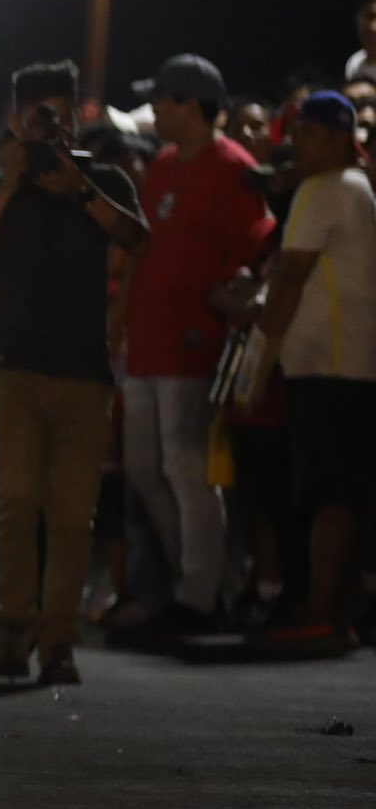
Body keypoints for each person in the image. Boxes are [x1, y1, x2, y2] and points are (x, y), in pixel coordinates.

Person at [0, 60, 148, 684]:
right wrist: (12, 185)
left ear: (76, 119)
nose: (48, 127)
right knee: (14, 501)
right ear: (15, 121)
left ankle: (59, 641)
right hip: (15, 366)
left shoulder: (104, 177)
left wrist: (80, 191)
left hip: (85, 372)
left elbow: (139, 239)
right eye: (37, 117)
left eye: (58, 116)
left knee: (71, 514)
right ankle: (13, 631)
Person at [112, 55, 274, 634]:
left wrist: (222, 307)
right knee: (144, 469)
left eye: (162, 99)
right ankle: (199, 582)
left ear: (190, 105)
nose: (154, 108)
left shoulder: (234, 168)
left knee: (186, 470)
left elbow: (257, 251)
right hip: (148, 342)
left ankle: (201, 596)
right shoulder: (161, 167)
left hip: (191, 345)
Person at [255, 92, 376, 652]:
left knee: (329, 498)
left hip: (328, 365)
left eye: (304, 134)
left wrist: (259, 364)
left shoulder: (323, 189)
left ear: (334, 136)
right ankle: (338, 614)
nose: (294, 143)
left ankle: (323, 613)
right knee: (346, 496)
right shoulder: (358, 189)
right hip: (353, 363)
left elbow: (290, 281)